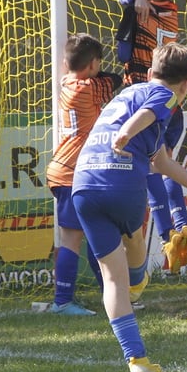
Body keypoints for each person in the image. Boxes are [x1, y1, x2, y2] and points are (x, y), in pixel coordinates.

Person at [72, 43, 187, 372]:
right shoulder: (166, 95)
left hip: (83, 186)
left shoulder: (125, 95)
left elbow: (161, 162)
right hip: (120, 181)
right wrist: (127, 132)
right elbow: (152, 110)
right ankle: (139, 281)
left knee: (112, 280)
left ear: (150, 71)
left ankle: (138, 362)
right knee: (134, 256)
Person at [117, 0, 187, 276]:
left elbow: (124, 50)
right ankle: (181, 227)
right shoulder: (171, 11)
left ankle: (168, 238)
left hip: (146, 102)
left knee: (152, 170)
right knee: (164, 165)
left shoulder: (141, 11)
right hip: (172, 105)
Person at [45, 33, 121, 316]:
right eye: (98, 63)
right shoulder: (88, 88)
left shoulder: (67, 82)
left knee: (96, 234)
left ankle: (112, 294)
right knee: (72, 238)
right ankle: (62, 301)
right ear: (92, 65)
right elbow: (115, 80)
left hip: (78, 171)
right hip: (71, 172)